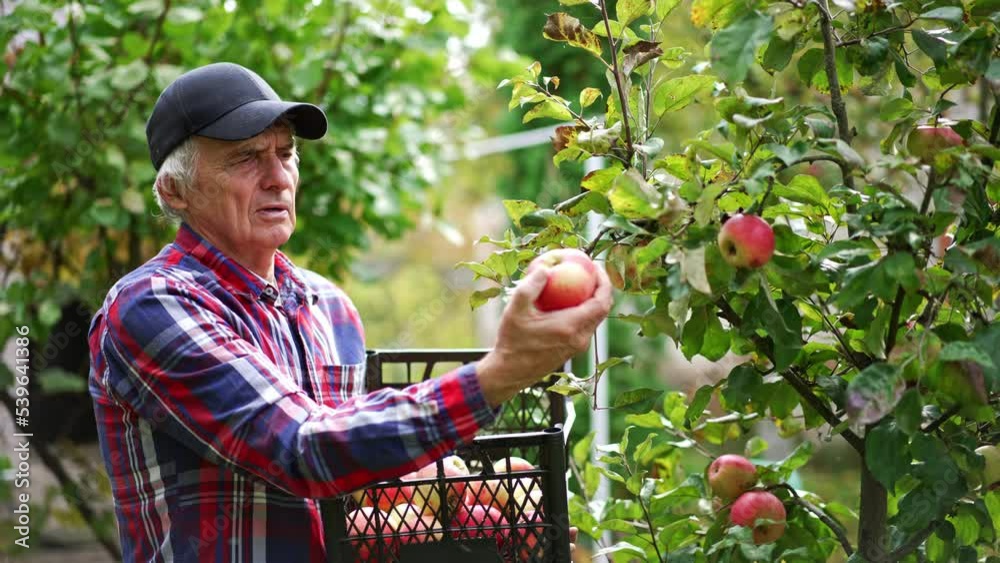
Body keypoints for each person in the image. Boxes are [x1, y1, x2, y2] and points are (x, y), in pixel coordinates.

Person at [88, 62, 612, 562]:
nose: (278, 177)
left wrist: (474, 520)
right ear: (174, 190)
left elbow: (354, 491)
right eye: (246, 158)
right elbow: (303, 447)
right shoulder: (152, 307)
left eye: (286, 153)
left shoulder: (328, 307)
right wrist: (500, 373)